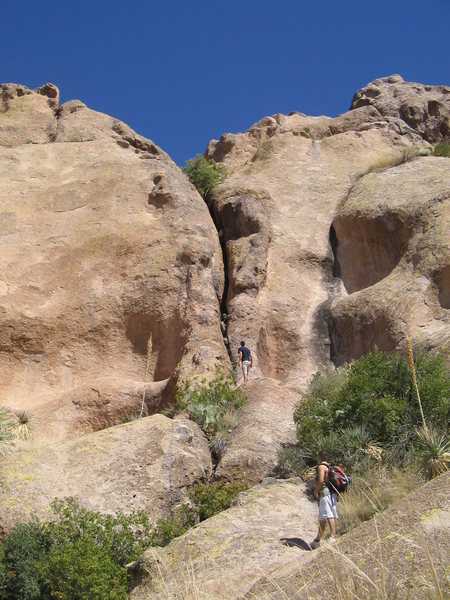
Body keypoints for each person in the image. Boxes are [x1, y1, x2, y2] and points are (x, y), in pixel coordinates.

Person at [309, 450, 338, 549]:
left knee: (328, 514)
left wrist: (315, 491)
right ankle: (317, 540)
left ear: (319, 457)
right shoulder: (328, 466)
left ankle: (333, 536)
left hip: (325, 493)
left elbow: (321, 480)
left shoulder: (321, 467)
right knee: (322, 517)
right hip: (329, 493)